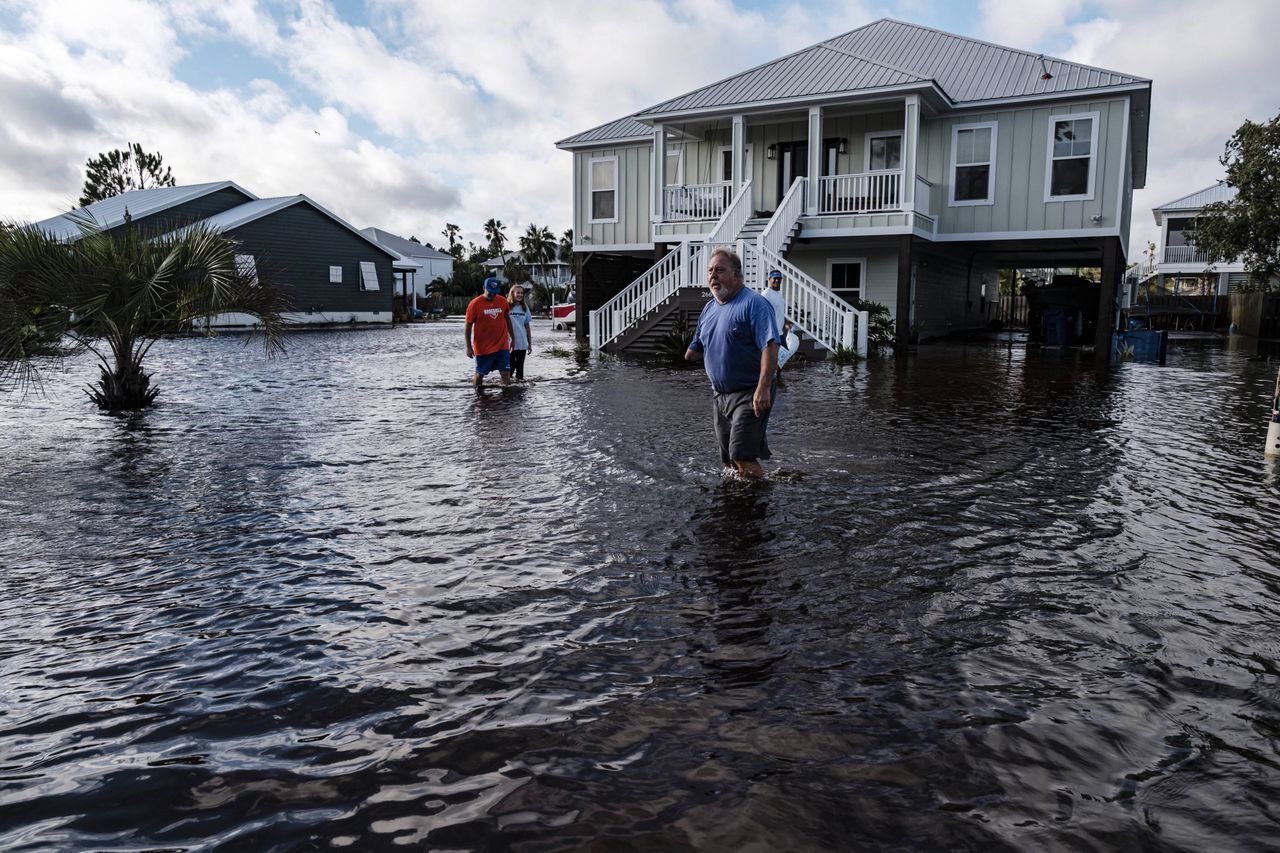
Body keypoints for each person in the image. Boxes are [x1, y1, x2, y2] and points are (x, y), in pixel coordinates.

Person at [684, 248, 780, 479]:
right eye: (710, 270)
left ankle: (758, 505)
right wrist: (690, 354)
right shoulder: (709, 309)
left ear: (737, 276)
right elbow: (697, 346)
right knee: (728, 459)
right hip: (720, 395)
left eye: (720, 270)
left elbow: (770, 344)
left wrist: (763, 388)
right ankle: (738, 502)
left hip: (750, 392)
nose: (713, 275)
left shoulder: (754, 303)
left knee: (742, 455)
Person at [464, 277, 515, 386]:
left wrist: (513, 338)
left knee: (505, 373)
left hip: (502, 345)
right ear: (483, 288)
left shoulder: (502, 301)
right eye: (490, 292)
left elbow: (507, 319)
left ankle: (507, 400)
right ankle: (476, 393)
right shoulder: (475, 304)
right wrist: (468, 346)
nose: (492, 295)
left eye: (495, 292)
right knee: (480, 374)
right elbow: (468, 325)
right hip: (483, 347)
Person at [762, 268, 795, 368]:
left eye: (779, 278)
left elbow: (778, 311)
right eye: (774, 278)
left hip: (780, 333)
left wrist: (786, 322)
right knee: (773, 362)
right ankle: (772, 381)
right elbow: (762, 315)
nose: (777, 280)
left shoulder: (779, 294)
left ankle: (777, 379)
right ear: (769, 279)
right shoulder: (766, 295)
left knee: (783, 358)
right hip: (771, 335)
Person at [506, 284, 533, 380]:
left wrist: (529, 344)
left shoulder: (525, 308)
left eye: (522, 293)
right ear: (512, 293)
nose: (520, 295)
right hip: (509, 343)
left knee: (520, 370)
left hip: (522, 343)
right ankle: (508, 393)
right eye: (518, 292)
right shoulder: (506, 306)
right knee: (510, 369)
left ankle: (520, 392)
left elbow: (527, 327)